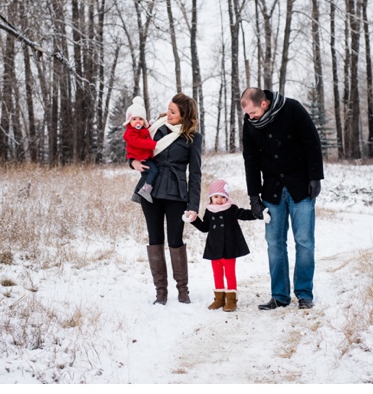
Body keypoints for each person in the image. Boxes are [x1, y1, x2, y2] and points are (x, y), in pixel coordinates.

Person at [240, 87, 324, 310]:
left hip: (300, 187)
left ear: (264, 104)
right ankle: (279, 295)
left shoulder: (292, 109)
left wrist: (315, 177)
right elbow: (250, 160)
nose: (250, 118)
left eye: (253, 113)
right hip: (272, 190)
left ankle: (304, 293)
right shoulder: (250, 123)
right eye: (247, 114)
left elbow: (312, 142)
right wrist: (253, 197)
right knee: (274, 244)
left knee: (304, 242)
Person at [131, 93, 202, 305]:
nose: (168, 114)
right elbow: (135, 148)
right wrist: (132, 162)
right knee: (155, 239)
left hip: (176, 194)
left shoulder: (192, 138)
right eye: (168, 109)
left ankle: (183, 290)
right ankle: (160, 292)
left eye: (173, 112)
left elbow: (196, 173)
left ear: (184, 115)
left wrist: (193, 205)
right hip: (150, 192)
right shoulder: (154, 129)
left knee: (175, 240)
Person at [184, 179, 269, 312]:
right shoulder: (209, 210)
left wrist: (259, 214)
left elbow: (244, 214)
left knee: (229, 273)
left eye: (223, 197)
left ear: (227, 197)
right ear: (211, 197)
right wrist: (193, 220)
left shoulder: (231, 208)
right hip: (214, 248)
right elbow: (205, 227)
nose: (219, 200)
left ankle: (231, 300)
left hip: (229, 248)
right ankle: (219, 299)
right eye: (216, 196)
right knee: (217, 274)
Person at [123, 96, 159, 203]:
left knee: (145, 174)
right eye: (134, 119)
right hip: (140, 157)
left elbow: (146, 132)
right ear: (129, 120)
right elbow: (138, 142)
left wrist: (151, 125)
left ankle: (137, 193)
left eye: (140, 119)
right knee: (153, 171)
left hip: (144, 157)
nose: (137, 122)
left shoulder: (142, 130)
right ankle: (145, 190)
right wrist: (153, 144)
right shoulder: (130, 132)